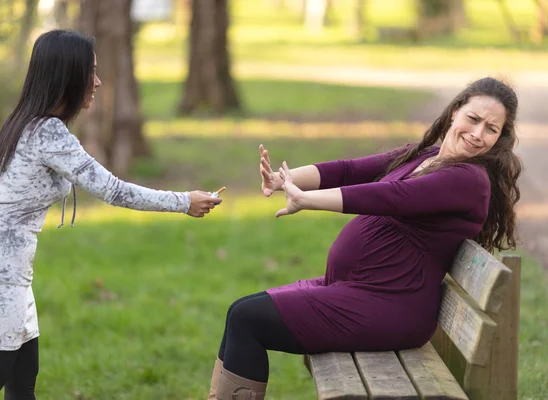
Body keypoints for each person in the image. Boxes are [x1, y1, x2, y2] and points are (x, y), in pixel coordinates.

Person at [207, 77, 522, 400]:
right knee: (240, 312)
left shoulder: (468, 180)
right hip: (363, 292)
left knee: (248, 320)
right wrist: (282, 180)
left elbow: (390, 196)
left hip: (390, 307)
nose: (477, 134)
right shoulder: (428, 155)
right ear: (456, 111)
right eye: (474, 119)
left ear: (499, 138)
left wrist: (307, 200)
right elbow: (351, 169)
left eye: (491, 129)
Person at [0, 30, 222, 400]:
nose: (97, 82)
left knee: (22, 386)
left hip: (6, 272)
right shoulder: (47, 132)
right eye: (90, 72)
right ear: (66, 75)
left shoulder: (29, 122)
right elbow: (113, 190)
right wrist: (183, 201)